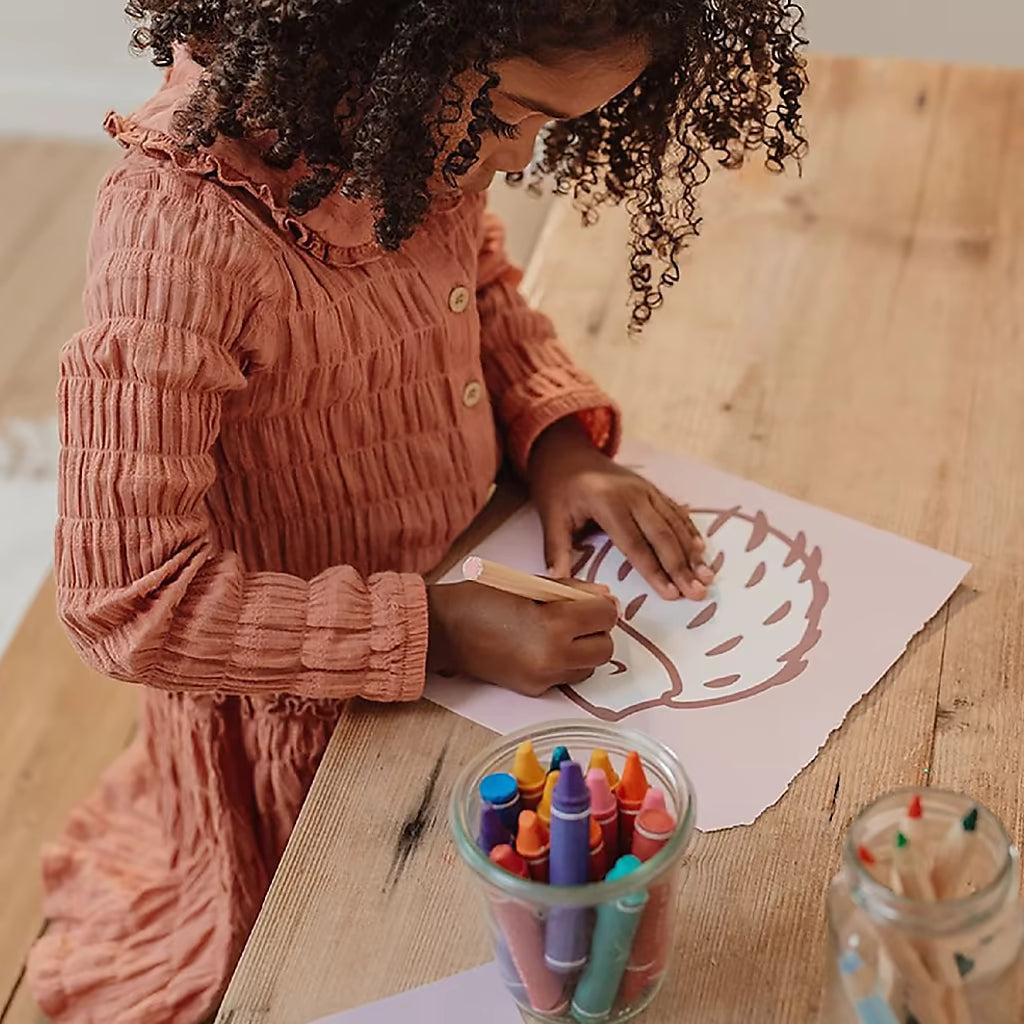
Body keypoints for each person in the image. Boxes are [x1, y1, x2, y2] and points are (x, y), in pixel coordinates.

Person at [29, 2, 806, 1020]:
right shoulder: (174, 232)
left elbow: (473, 285)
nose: (519, 160)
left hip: (472, 616)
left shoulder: (406, 133)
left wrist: (557, 438)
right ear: (387, 44)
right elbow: (126, 603)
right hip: (301, 718)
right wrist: (433, 627)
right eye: (505, 118)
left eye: (552, 127)